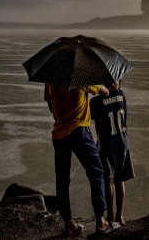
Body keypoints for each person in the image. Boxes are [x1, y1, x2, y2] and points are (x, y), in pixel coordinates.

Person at [45, 83, 113, 237]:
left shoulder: (50, 79)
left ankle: (69, 223)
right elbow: (106, 92)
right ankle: (101, 221)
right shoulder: (81, 75)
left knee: (62, 179)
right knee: (96, 174)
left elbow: (51, 106)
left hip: (59, 134)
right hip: (79, 130)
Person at [90, 81, 135, 226]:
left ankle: (110, 215)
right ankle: (120, 216)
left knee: (108, 180)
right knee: (119, 180)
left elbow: (94, 120)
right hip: (122, 143)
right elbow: (125, 119)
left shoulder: (96, 101)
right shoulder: (122, 95)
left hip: (106, 145)